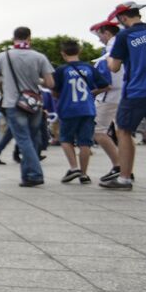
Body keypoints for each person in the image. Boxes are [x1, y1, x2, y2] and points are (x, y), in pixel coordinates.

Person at [102, 2, 146, 192]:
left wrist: (109, 57)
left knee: (124, 131)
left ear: (123, 18)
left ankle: (124, 179)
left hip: (136, 90)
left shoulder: (125, 35)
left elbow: (114, 67)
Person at [0, 26, 56, 187]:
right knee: (32, 139)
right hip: (34, 103)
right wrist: (36, 81)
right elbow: (50, 83)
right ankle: (27, 176)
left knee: (23, 139)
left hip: (13, 102)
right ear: (29, 38)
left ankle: (35, 173)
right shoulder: (39, 57)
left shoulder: (3, 57)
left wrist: (2, 86)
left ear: (14, 38)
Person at [51, 39, 108, 184]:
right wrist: (92, 93)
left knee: (65, 139)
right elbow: (105, 85)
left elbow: (54, 91)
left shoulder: (61, 70)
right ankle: (84, 173)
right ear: (79, 51)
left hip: (69, 108)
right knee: (85, 142)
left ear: (63, 53)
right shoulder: (89, 68)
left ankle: (74, 167)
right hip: (87, 108)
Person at [89, 20, 124, 182]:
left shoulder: (110, 51)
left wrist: (92, 92)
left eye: (100, 35)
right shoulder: (126, 44)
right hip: (126, 95)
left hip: (108, 98)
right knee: (124, 132)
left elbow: (105, 82)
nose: (99, 39)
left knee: (98, 131)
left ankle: (118, 166)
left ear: (107, 33)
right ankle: (126, 168)